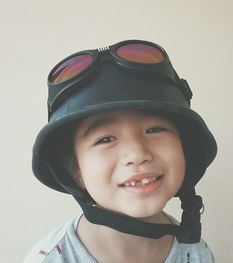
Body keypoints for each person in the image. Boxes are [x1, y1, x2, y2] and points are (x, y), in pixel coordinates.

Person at [24, 39, 218, 262]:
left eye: (154, 129)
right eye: (105, 139)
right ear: (75, 170)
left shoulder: (195, 253)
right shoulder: (51, 259)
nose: (137, 154)